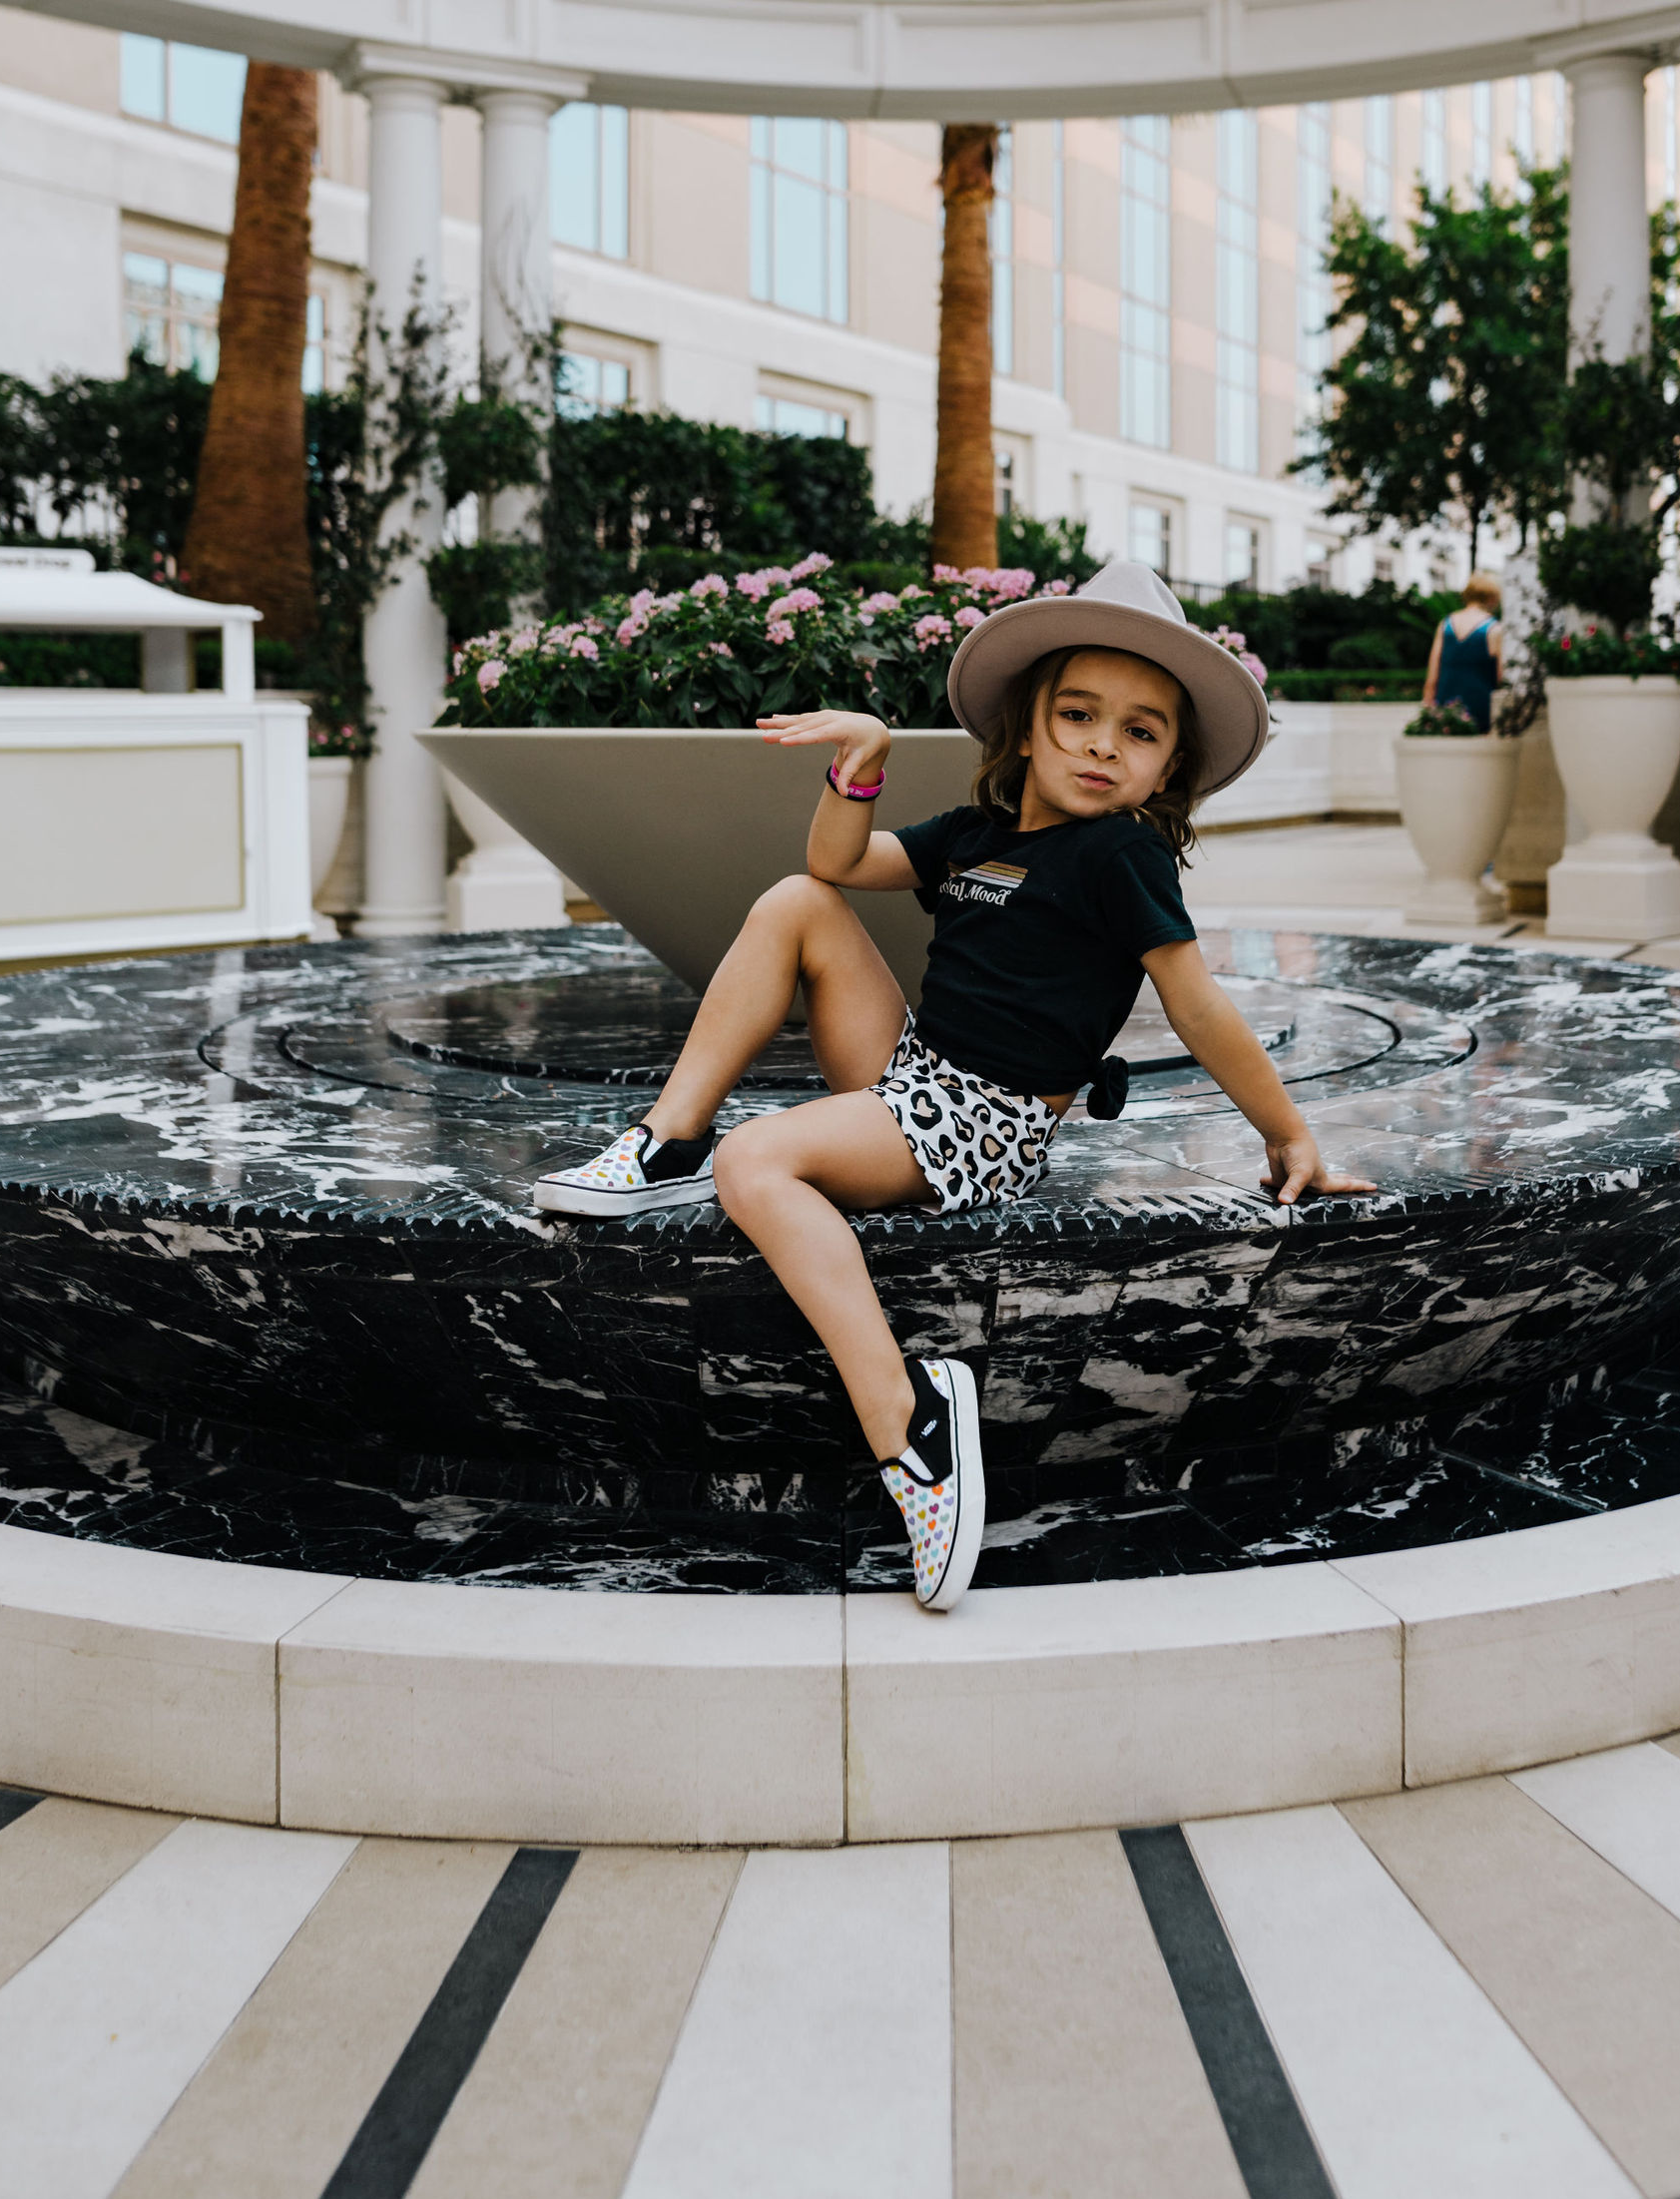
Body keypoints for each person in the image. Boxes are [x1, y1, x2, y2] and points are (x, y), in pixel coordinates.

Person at [532, 560, 1375, 1615]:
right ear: (1025, 730)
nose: (1104, 744)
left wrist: (1285, 1133)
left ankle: (911, 1425)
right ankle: (663, 1143)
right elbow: (838, 862)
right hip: (915, 1072)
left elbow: (1197, 1006)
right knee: (797, 901)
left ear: (1163, 772)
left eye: (1140, 731)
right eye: (1078, 715)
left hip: (987, 1121)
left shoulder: (1120, 856)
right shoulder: (976, 838)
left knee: (760, 1163)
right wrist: (863, 759)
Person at [1422, 571, 1504, 729]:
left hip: (1445, 707)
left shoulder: (1445, 625)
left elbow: (1432, 676)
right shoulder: (1495, 629)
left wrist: (1428, 711)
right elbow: (1501, 677)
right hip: (1480, 707)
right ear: (1492, 598)